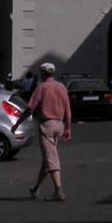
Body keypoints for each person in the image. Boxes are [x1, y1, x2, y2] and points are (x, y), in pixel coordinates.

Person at [15, 61, 72, 202]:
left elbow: (30, 108)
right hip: (59, 125)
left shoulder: (42, 87)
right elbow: (68, 109)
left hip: (47, 125)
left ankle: (58, 191)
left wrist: (17, 123)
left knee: (51, 159)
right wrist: (68, 128)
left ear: (42, 73)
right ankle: (36, 188)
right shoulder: (61, 87)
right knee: (48, 158)